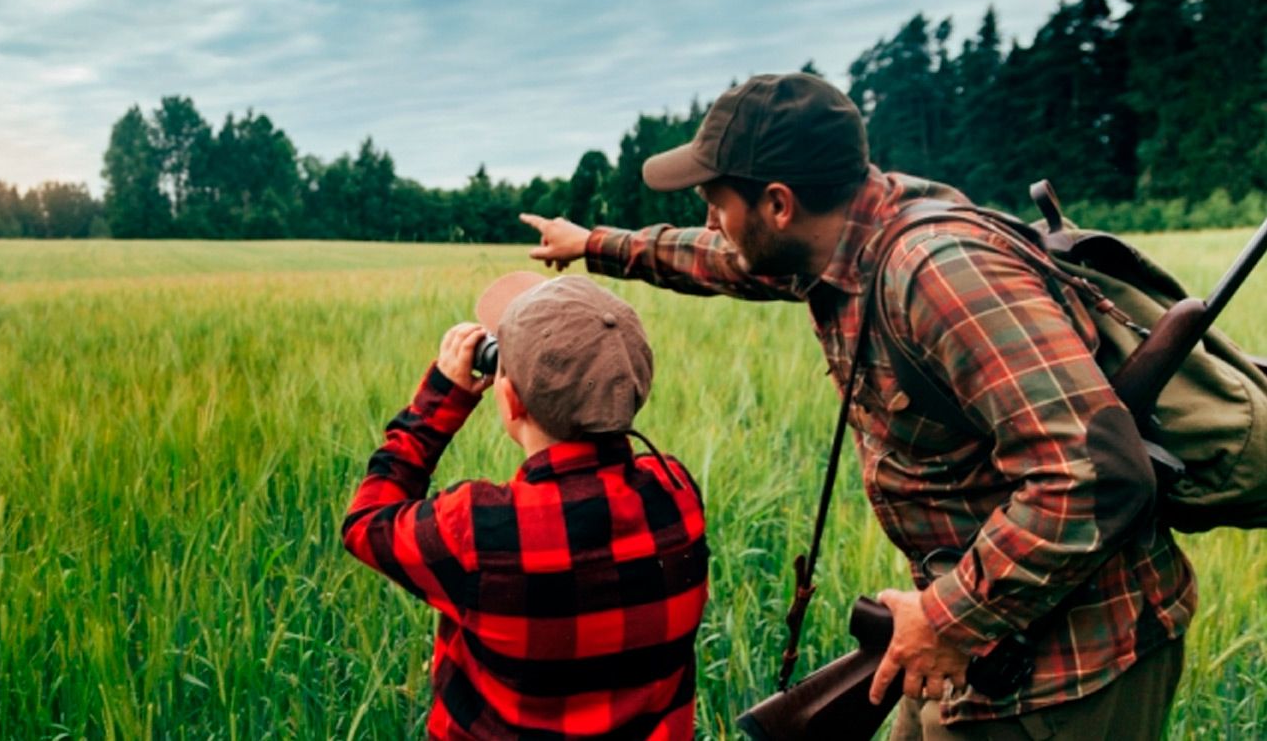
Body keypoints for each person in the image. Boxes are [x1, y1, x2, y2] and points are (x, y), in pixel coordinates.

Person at [520, 73, 1195, 739]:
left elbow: (1096, 471)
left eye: (715, 200)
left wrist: (946, 617)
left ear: (779, 204)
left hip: (1071, 669)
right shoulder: (837, 235)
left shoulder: (936, 274)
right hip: (974, 638)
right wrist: (592, 244)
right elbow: (719, 257)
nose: (710, 220)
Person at [341, 275, 709, 740]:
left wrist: (438, 403)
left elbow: (365, 522)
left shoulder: (476, 530)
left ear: (510, 399)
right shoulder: (676, 492)